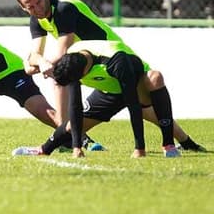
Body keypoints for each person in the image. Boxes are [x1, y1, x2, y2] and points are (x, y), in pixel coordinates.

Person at [14, 0, 206, 153]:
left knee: (146, 97)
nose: (37, 9)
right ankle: (185, 142)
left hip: (113, 60)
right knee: (141, 108)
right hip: (95, 69)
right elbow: (34, 55)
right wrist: (38, 61)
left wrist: (39, 62)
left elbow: (61, 53)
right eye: (30, 7)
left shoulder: (63, 8)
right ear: (24, 8)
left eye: (38, 2)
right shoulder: (37, 18)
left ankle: (73, 140)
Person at [13, 40, 185, 158]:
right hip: (108, 91)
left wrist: (139, 148)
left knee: (155, 77)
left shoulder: (115, 60)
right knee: (72, 125)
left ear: (83, 72)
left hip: (136, 86)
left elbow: (133, 104)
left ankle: (168, 144)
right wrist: (76, 147)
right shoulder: (72, 58)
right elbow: (75, 106)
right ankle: (44, 149)